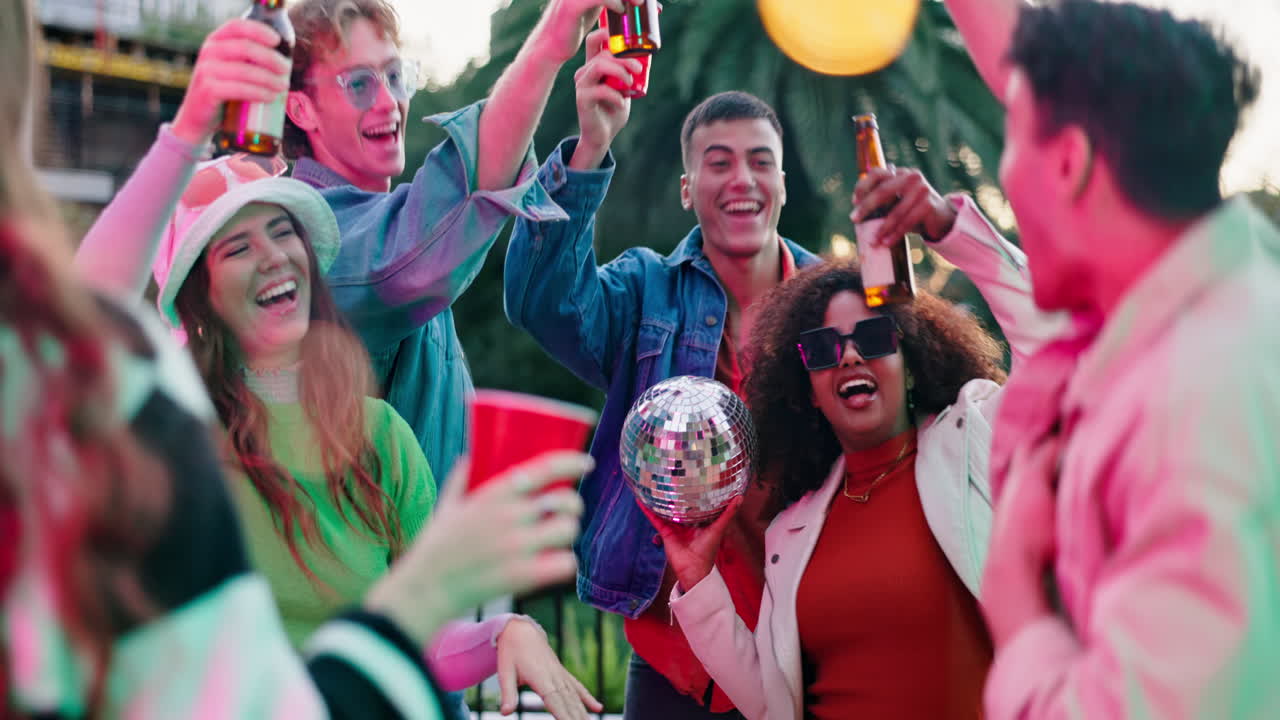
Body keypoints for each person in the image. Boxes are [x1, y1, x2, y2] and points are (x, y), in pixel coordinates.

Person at [0, 0, 589, 716]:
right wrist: (185, 133)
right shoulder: (171, 445)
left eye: (283, 231)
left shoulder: (380, 436)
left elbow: (415, 638)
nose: (274, 256)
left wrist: (504, 627)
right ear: (202, 298)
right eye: (237, 246)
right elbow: (87, 320)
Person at [941, 0, 1280, 717]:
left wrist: (1017, 603)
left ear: (1068, 162)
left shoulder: (1189, 400)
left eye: (1011, 145)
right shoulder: (1210, 297)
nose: (1005, 177)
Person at [651, 159, 1066, 718]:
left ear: (911, 361)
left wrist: (950, 228)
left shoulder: (979, 439)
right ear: (809, 391)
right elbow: (771, 702)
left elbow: (1061, 348)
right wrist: (698, 580)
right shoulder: (792, 531)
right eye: (822, 349)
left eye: (871, 336)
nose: (847, 354)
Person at [504, 47, 825, 713]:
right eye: (719, 162)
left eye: (760, 161)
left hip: (810, 642)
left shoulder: (831, 306)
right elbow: (542, 302)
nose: (742, 179)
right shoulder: (645, 289)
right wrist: (592, 143)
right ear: (687, 189)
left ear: (783, 184)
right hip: (678, 662)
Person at [279, 0, 642, 483]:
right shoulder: (310, 236)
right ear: (300, 107)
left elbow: (541, 297)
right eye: (360, 83)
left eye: (394, 76)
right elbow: (473, 188)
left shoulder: (380, 226)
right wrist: (552, 41)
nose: (389, 102)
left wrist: (590, 146)